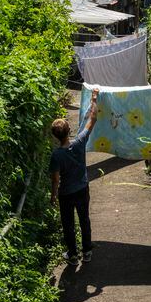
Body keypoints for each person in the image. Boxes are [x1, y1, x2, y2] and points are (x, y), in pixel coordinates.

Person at [50, 88, 99, 266]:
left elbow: (55, 179)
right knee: (84, 219)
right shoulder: (79, 142)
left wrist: (53, 197)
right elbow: (92, 119)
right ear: (69, 130)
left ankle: (72, 254)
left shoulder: (56, 156)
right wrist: (94, 98)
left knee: (68, 224)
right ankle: (87, 251)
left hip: (66, 194)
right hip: (82, 189)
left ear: (55, 137)